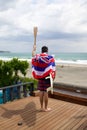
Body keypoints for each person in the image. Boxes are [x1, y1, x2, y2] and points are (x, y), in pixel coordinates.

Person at [32, 45, 56, 112]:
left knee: (41, 92)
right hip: (47, 78)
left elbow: (33, 56)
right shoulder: (50, 57)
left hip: (40, 78)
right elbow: (53, 68)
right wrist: (53, 77)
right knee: (45, 93)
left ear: (41, 51)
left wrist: (34, 49)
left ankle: (41, 107)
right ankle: (45, 108)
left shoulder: (38, 57)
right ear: (47, 51)